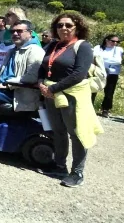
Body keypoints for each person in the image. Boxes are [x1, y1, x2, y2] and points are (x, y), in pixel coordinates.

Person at [38, 13, 103, 187]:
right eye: (60, 25)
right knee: (58, 131)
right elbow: (43, 67)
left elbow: (79, 74)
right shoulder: (53, 45)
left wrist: (51, 89)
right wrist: (41, 84)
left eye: (68, 25)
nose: (63, 28)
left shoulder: (83, 47)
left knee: (76, 133)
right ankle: (59, 165)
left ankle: (77, 172)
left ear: (78, 28)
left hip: (72, 95)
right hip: (52, 94)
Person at [92, 35, 124, 117]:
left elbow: (118, 61)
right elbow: (95, 57)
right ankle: (90, 107)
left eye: (117, 42)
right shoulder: (98, 47)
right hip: (98, 72)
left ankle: (106, 109)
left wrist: (102, 59)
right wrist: (107, 60)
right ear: (106, 40)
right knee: (93, 89)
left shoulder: (118, 49)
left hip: (112, 73)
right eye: (113, 41)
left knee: (109, 92)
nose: (115, 43)